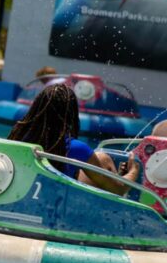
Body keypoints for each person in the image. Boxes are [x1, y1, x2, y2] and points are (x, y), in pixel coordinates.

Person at [8, 83, 137, 195]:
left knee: (101, 159)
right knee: (103, 160)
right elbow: (118, 190)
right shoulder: (76, 149)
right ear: (71, 115)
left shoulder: (16, 139)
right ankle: (117, 177)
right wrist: (133, 171)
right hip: (56, 204)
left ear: (36, 109)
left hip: (20, 197)